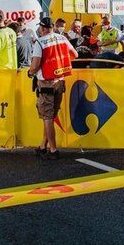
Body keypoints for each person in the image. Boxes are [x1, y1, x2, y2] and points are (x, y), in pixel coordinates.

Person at [28, 17, 76, 160]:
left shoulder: (40, 42)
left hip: (46, 83)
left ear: (42, 29)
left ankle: (53, 150)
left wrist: (30, 72)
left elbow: (35, 65)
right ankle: (43, 146)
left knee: (47, 118)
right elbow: (75, 54)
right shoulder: (62, 38)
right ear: (52, 27)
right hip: (60, 81)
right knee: (50, 116)